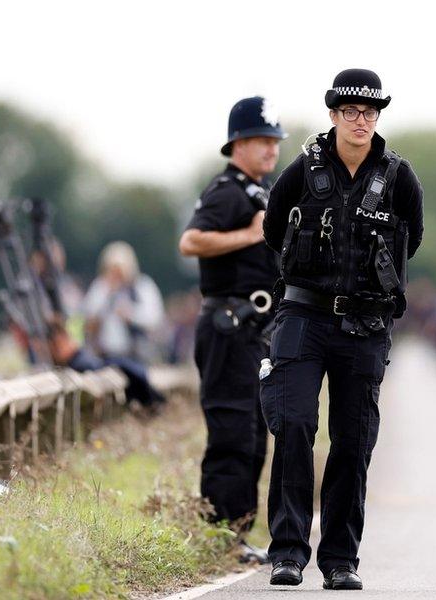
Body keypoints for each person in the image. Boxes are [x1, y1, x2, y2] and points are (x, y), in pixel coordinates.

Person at [260, 68, 424, 590]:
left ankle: (339, 559)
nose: (360, 121)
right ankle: (287, 551)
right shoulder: (303, 170)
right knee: (294, 426)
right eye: (350, 111)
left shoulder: (398, 176)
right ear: (333, 115)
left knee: (353, 440)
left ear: (378, 117)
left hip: (366, 322)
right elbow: (272, 229)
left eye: (370, 112)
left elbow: (410, 240)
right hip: (304, 315)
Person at [178, 96, 287, 564]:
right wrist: (249, 234)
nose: (270, 149)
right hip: (228, 326)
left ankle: (238, 532)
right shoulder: (228, 191)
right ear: (238, 143)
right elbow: (191, 240)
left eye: (274, 141)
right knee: (231, 429)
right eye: (261, 140)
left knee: (251, 430)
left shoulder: (259, 192)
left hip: (253, 330)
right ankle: (222, 535)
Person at [82, 241, 164, 363]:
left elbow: (155, 319)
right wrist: (106, 295)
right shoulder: (100, 287)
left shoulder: (142, 286)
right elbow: (87, 317)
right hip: (104, 355)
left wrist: (131, 314)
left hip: (136, 355)